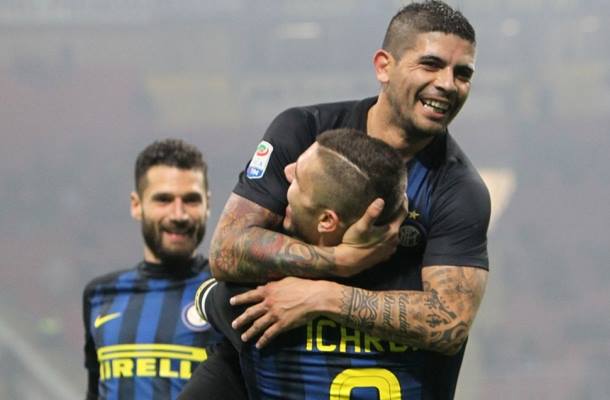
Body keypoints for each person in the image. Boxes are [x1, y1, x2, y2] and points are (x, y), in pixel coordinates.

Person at [183, 0, 490, 398]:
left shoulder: (459, 189)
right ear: (384, 66)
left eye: (462, 73)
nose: (448, 83)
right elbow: (226, 249)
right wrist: (339, 260)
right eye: (431, 64)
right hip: (261, 366)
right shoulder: (302, 131)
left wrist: (324, 296)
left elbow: (450, 323)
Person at [197, 128, 410, 399]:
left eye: (298, 178)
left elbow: (205, 297)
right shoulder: (411, 302)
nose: (286, 173)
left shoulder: (258, 303)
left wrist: (335, 269)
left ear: (326, 221)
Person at [82, 139, 246, 400]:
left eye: (191, 200)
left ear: (208, 205)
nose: (178, 214)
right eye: (164, 200)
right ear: (137, 205)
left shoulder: (229, 294)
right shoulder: (99, 294)